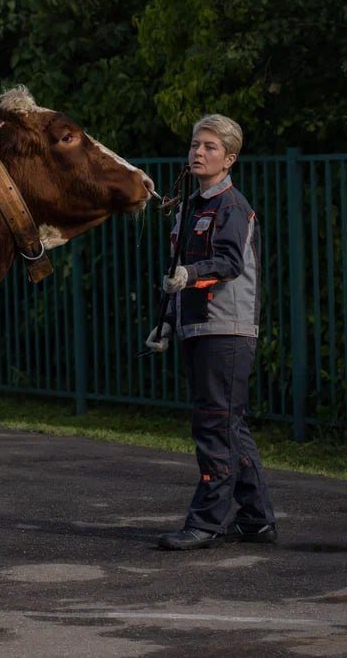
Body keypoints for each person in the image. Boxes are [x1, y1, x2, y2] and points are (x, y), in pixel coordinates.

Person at [144, 114, 277, 551]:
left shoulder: (232, 207)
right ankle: (256, 521)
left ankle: (207, 522)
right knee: (229, 426)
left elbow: (229, 263)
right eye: (195, 145)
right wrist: (165, 321)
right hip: (196, 326)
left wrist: (189, 273)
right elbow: (175, 274)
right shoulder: (188, 208)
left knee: (214, 427)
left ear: (229, 158)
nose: (198, 152)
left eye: (210, 147)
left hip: (228, 329)